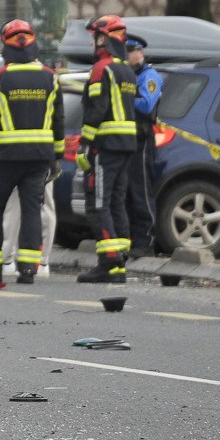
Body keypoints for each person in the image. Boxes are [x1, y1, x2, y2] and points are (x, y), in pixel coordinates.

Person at [0, 19, 62, 289]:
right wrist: (56, 157)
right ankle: (28, 271)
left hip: (4, 159)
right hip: (38, 158)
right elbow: (58, 120)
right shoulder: (50, 77)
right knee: (33, 211)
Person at [78, 15, 141, 284]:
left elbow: (96, 109)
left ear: (102, 39)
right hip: (127, 145)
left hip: (106, 147)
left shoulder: (101, 69)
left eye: (96, 37)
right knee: (116, 203)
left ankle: (108, 262)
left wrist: (84, 144)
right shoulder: (127, 70)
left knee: (98, 203)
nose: (94, 42)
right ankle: (119, 264)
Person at [125, 35, 162, 256]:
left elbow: (147, 104)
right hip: (126, 140)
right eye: (125, 51)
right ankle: (131, 240)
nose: (128, 55)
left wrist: (124, 96)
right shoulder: (128, 75)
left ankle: (145, 241)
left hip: (142, 141)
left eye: (132, 50)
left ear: (141, 53)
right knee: (127, 193)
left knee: (141, 192)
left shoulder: (149, 76)